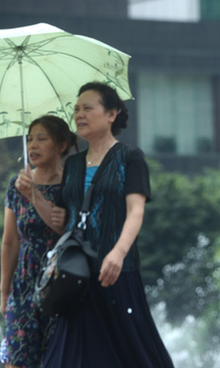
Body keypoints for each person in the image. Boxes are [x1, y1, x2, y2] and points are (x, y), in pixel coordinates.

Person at [39, 81, 175, 368]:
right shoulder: (72, 164)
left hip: (115, 272)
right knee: (67, 358)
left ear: (112, 114)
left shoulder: (130, 157)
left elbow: (135, 211)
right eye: (76, 109)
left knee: (132, 353)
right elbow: (61, 221)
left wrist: (118, 252)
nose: (79, 115)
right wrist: (32, 195)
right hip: (74, 275)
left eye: (88, 108)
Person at [0, 115, 77, 368]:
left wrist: (34, 195)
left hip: (59, 282)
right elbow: (10, 242)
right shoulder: (16, 185)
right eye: (30, 139)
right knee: (17, 359)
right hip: (23, 285)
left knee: (55, 359)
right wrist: (4, 292)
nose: (33, 145)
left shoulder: (71, 184)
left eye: (41, 139)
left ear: (61, 145)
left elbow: (65, 230)